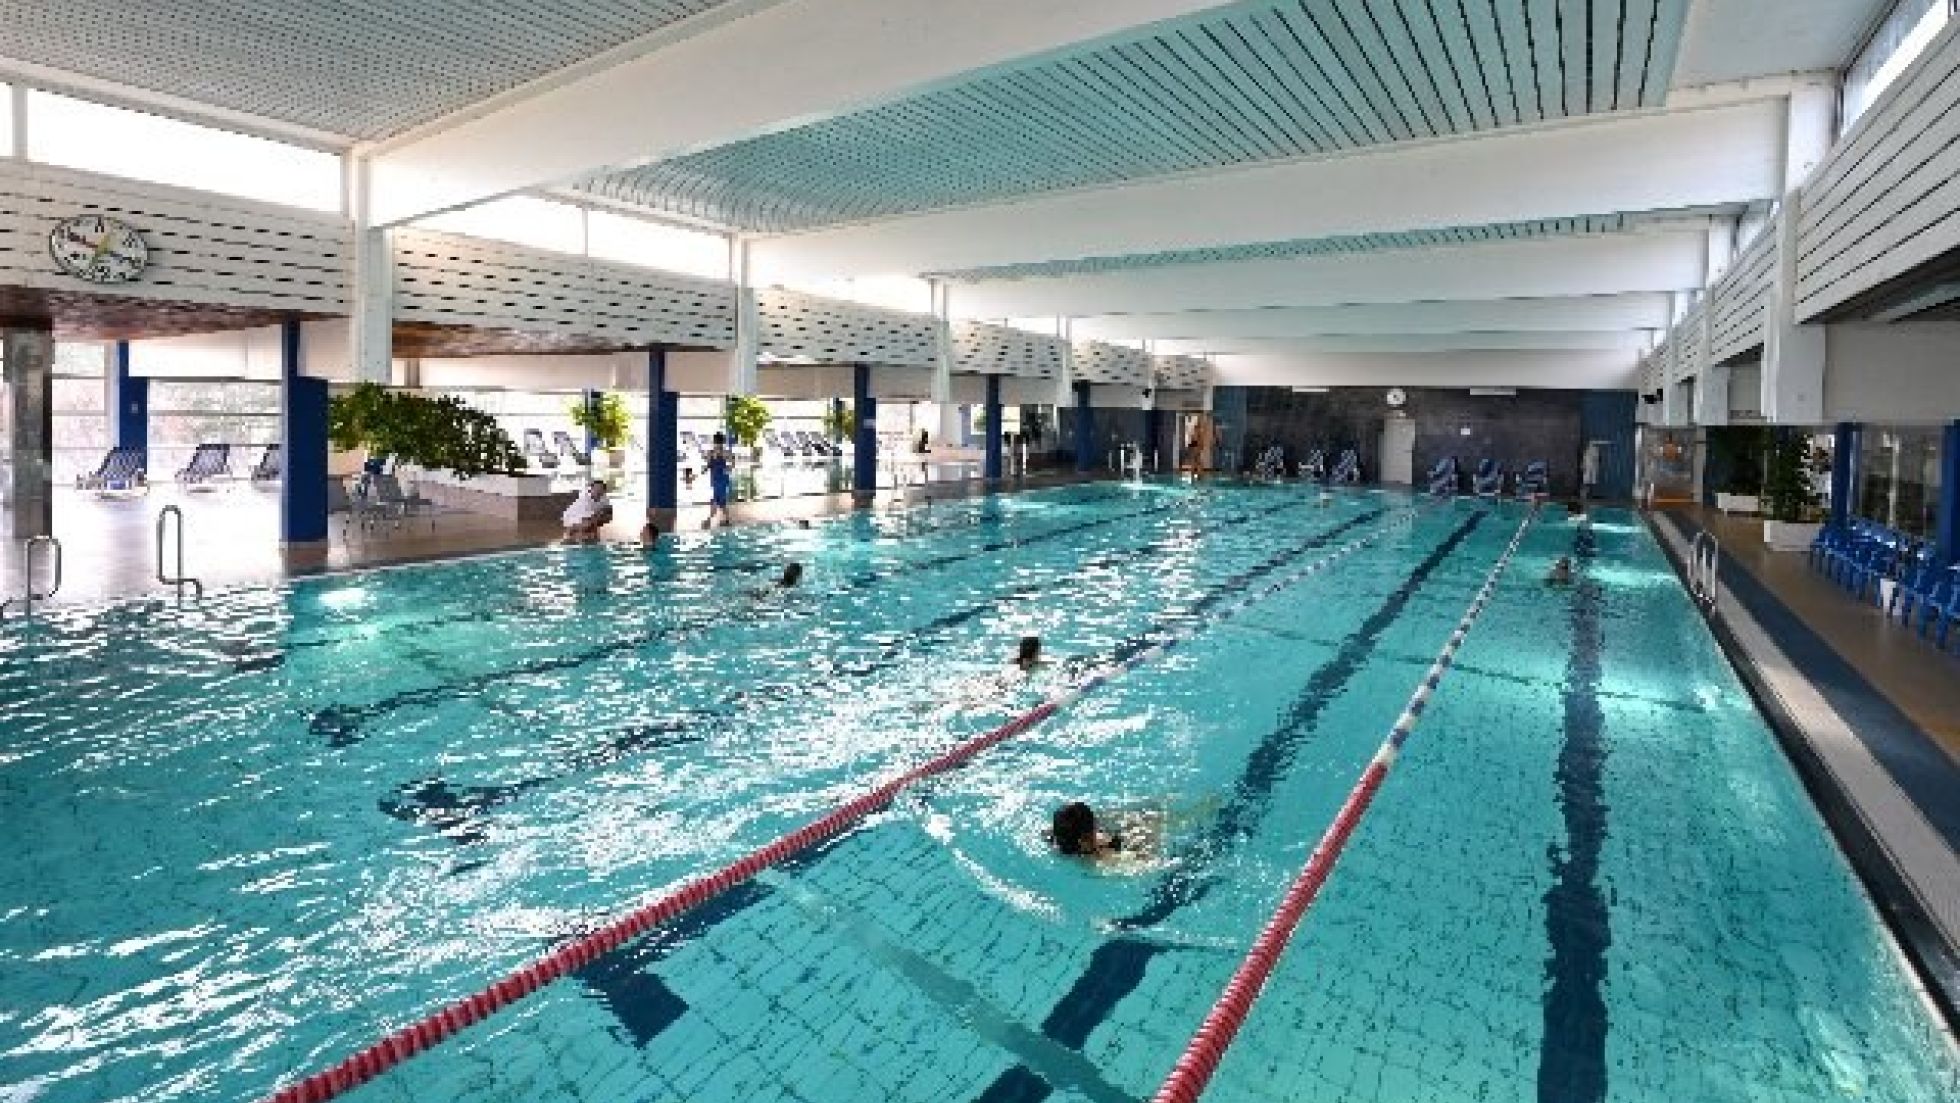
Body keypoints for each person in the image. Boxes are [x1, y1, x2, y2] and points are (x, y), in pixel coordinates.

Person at [561, 479, 613, 543]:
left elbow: (609, 513)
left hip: (589, 516)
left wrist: (603, 516)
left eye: (600, 489)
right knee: (588, 523)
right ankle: (569, 534)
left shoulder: (604, 499)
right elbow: (586, 518)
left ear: (604, 491)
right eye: (595, 489)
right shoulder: (585, 499)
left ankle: (591, 536)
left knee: (603, 518)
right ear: (591, 489)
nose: (598, 491)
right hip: (571, 517)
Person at [705, 432, 733, 528]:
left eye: (718, 442)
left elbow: (731, 464)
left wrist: (728, 468)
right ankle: (726, 520)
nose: (718, 444)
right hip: (717, 479)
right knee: (721, 501)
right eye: (718, 442)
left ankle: (708, 520)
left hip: (720, 479)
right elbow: (709, 465)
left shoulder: (720, 453)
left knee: (716, 500)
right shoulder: (714, 452)